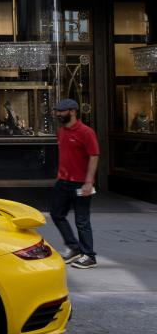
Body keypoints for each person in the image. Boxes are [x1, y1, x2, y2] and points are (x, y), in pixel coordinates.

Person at [50, 98, 99, 269]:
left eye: (61, 111)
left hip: (80, 183)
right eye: (57, 111)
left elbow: (94, 156)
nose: (57, 114)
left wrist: (88, 182)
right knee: (56, 214)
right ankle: (74, 247)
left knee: (82, 221)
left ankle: (89, 256)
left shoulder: (86, 132)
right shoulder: (61, 131)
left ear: (72, 111)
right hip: (63, 181)